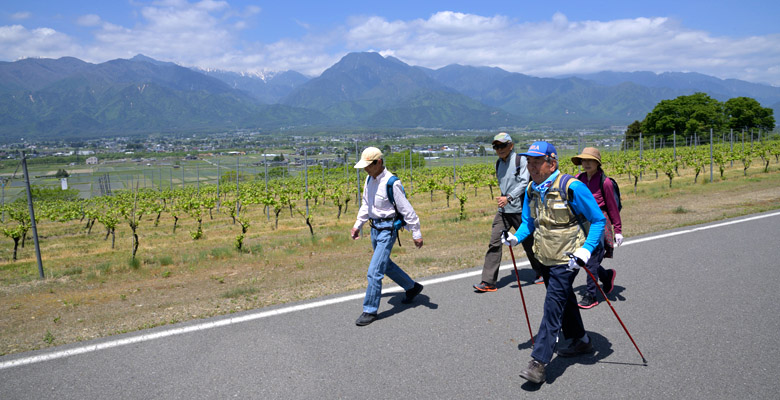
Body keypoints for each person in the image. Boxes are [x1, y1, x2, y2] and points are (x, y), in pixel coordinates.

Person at [501, 141, 606, 384]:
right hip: (545, 255)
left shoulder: (572, 186)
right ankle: (581, 340)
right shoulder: (532, 189)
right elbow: (529, 221)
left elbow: (598, 220)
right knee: (564, 298)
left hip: (568, 258)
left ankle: (538, 362)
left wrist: (586, 250)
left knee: (552, 307)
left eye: (537, 162)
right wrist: (516, 238)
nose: (531, 166)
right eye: (529, 162)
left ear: (552, 163)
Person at [351, 147, 424, 326]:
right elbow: (366, 205)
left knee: (374, 271)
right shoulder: (369, 179)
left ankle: (370, 310)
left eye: (369, 166)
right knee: (385, 264)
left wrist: (416, 233)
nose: (366, 170)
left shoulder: (392, 183)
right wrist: (357, 225)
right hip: (374, 229)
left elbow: (407, 210)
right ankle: (412, 287)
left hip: (387, 230)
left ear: (379, 162)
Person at [474, 132, 544, 293]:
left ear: (511, 146)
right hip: (504, 211)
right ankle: (488, 282)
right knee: (494, 242)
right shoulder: (499, 163)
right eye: (496, 146)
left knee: (529, 243)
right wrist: (505, 200)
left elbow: (524, 183)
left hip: (521, 209)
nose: (499, 149)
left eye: (502, 145)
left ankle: (542, 272)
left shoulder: (521, 160)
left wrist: (509, 197)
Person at [572, 147, 624, 309]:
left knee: (592, 257)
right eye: (584, 160)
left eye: (590, 160)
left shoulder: (605, 182)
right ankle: (606, 276)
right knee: (585, 257)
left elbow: (612, 207)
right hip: (581, 222)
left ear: (597, 163)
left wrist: (618, 230)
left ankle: (591, 295)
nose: (586, 163)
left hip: (599, 221)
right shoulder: (577, 179)